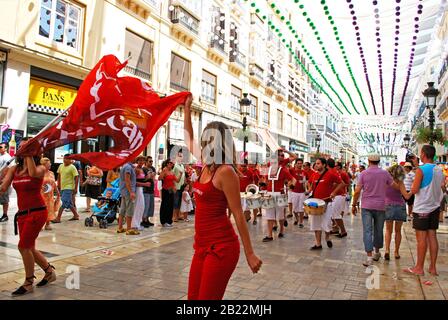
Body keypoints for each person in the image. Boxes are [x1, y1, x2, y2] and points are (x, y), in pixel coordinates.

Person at [183, 96, 262, 299]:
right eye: (204, 139)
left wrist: (250, 253)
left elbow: (237, 213)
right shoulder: (206, 164)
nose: (203, 143)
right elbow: (188, 139)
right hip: (201, 246)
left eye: (208, 140)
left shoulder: (225, 172)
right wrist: (186, 109)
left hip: (221, 247)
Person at [0, 143, 56, 296]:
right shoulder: (14, 169)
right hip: (22, 214)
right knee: (29, 247)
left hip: (37, 213)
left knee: (23, 246)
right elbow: (3, 188)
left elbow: (32, 173)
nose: (23, 148)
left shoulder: (41, 168)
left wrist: (28, 154)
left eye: (28, 147)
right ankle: (49, 272)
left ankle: (28, 283)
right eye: (22, 147)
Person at [403, 145, 445, 276]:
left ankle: (419, 268)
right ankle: (433, 267)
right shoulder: (439, 170)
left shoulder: (421, 170)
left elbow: (414, 190)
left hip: (422, 207)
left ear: (423, 154)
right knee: (432, 236)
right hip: (434, 207)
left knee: (421, 238)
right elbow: (441, 187)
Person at [352, 154, 393, 267]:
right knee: (378, 230)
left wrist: (354, 204)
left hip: (367, 206)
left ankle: (369, 257)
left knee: (367, 231)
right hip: (380, 206)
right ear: (379, 162)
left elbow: (357, 191)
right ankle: (377, 252)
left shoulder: (364, 173)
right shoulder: (385, 173)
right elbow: (393, 185)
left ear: (369, 161)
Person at [307, 158, 344, 250]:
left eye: (318, 163)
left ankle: (327, 237)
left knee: (327, 223)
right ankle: (318, 244)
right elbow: (310, 183)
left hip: (327, 202)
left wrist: (334, 192)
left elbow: (341, 183)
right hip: (315, 203)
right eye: (316, 163)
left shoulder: (331, 174)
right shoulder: (314, 174)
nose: (316, 165)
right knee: (315, 224)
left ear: (324, 165)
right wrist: (309, 190)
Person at [262, 149, 296, 242]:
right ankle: (269, 235)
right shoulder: (268, 168)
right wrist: (263, 186)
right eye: (280, 156)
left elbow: (293, 180)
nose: (282, 157)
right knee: (269, 216)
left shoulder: (284, 169)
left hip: (280, 194)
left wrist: (291, 187)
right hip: (269, 194)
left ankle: (281, 230)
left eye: (282, 156)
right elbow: (264, 179)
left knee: (281, 216)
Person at [384, 164, 407, 260]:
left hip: (388, 205)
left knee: (388, 230)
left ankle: (387, 250)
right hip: (400, 206)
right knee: (398, 231)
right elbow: (405, 195)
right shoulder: (400, 182)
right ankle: (396, 252)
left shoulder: (386, 181)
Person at [52, 154, 79, 223]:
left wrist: (75, 188)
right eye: (64, 158)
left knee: (64, 202)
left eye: (67, 159)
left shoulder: (72, 167)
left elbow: (76, 177)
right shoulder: (61, 166)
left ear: (71, 160)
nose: (65, 160)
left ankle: (58, 218)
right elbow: (59, 175)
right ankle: (76, 215)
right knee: (69, 203)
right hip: (62, 187)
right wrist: (58, 184)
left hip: (69, 187)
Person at [117, 161, 139, 235]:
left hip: (123, 191)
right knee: (129, 209)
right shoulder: (128, 167)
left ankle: (120, 227)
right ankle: (129, 229)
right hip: (128, 191)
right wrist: (131, 192)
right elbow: (127, 179)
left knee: (122, 209)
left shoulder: (125, 166)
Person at [330, 160, 350, 238]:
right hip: (334, 195)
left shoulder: (343, 174)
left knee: (336, 214)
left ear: (338, 166)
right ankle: (335, 228)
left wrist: (338, 185)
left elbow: (348, 184)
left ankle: (343, 231)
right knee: (332, 214)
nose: (334, 167)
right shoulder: (334, 173)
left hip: (340, 195)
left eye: (335, 165)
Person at [158, 159, 181, 227]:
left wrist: (180, 174)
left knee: (170, 206)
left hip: (171, 191)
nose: (171, 164)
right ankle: (163, 221)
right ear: (167, 164)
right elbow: (159, 178)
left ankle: (169, 221)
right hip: (165, 190)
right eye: (170, 163)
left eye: (172, 163)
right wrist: (163, 172)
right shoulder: (165, 170)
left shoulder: (172, 172)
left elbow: (177, 181)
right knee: (165, 205)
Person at [40, 158, 60, 231]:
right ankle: (40, 224)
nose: (50, 165)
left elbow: (54, 183)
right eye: (48, 164)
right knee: (41, 210)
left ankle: (47, 224)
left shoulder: (51, 173)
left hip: (50, 195)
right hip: (41, 194)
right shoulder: (39, 173)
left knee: (49, 209)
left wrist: (57, 192)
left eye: (50, 164)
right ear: (43, 165)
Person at [290, 158, 308, 228]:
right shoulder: (292, 171)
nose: (300, 165)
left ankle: (301, 222)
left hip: (302, 192)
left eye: (301, 163)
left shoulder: (304, 172)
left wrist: (306, 188)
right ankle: (297, 219)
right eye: (298, 163)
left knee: (301, 208)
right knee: (294, 209)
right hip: (294, 192)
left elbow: (307, 182)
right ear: (296, 164)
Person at [142, 156, 156, 227]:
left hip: (151, 189)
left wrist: (152, 176)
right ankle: (143, 220)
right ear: (146, 162)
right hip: (145, 189)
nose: (151, 163)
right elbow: (142, 179)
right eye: (150, 161)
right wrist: (148, 176)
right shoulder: (143, 169)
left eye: (152, 161)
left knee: (150, 205)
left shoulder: (153, 168)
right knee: (146, 205)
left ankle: (147, 219)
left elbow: (154, 178)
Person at [132, 165, 147, 231]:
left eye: (143, 160)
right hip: (137, 189)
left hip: (141, 189)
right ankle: (135, 224)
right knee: (137, 206)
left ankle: (138, 223)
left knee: (141, 206)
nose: (141, 162)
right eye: (140, 160)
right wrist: (145, 184)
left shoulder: (142, 169)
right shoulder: (136, 169)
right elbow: (134, 182)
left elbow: (143, 180)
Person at [0, 142, 12, 222]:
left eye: (1, 147)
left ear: (6, 148)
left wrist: (4, 180)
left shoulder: (8, 157)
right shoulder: (1, 156)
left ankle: (5, 215)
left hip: (3, 181)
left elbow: (9, 169)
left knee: (4, 199)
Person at [173, 152, 186, 222]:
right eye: (180, 156)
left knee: (179, 202)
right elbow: (172, 175)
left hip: (181, 186)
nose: (181, 158)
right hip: (176, 186)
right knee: (175, 201)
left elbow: (183, 175)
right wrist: (173, 186)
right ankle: (174, 216)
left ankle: (178, 215)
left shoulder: (182, 165)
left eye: (182, 156)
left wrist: (184, 182)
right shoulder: (175, 165)